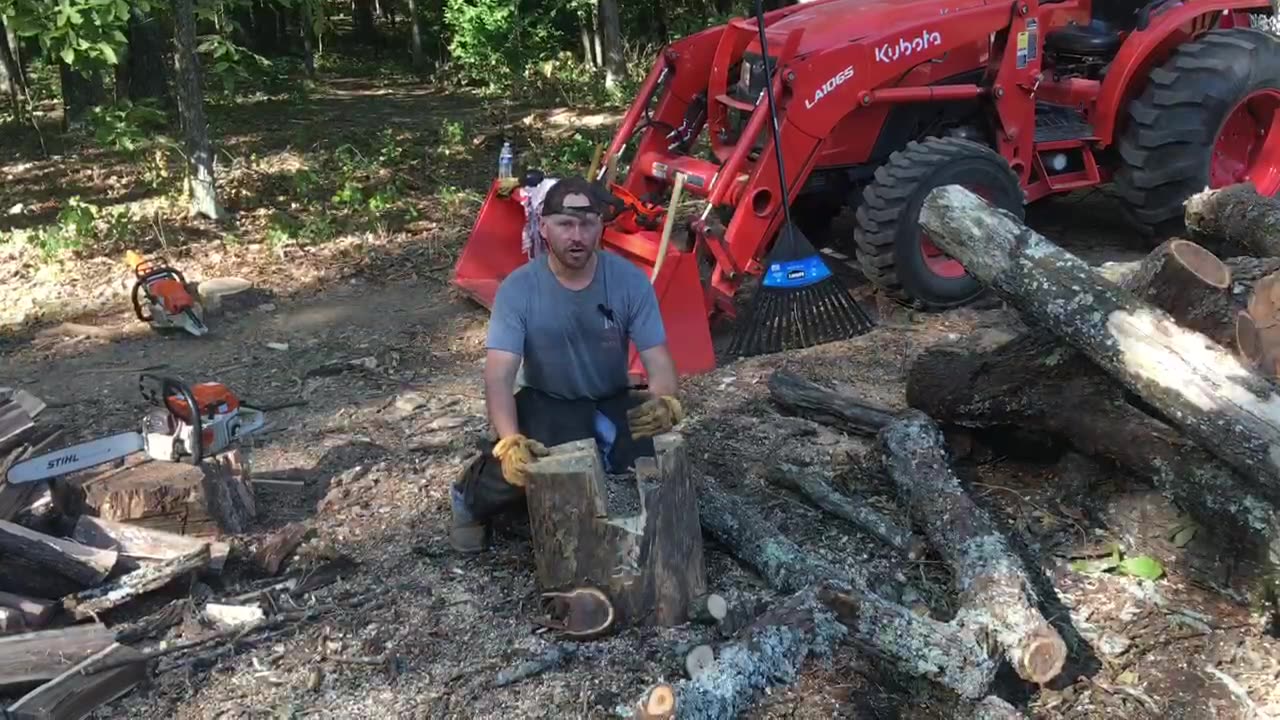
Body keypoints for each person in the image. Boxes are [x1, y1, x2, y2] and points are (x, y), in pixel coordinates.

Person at [449, 175, 684, 553]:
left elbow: (659, 361)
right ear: (543, 227)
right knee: (526, 467)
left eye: (587, 223)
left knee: (659, 463)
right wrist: (509, 440)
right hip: (546, 400)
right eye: (565, 224)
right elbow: (498, 376)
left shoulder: (628, 282)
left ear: (600, 227)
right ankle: (468, 498)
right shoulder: (519, 289)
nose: (577, 235)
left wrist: (667, 402)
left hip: (609, 398)